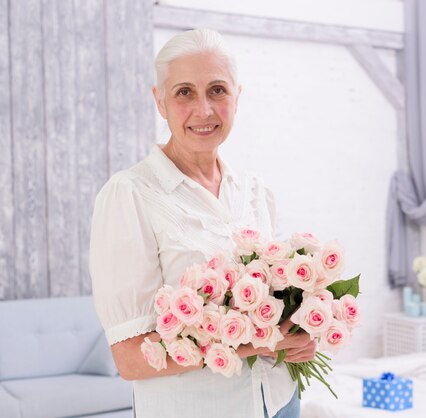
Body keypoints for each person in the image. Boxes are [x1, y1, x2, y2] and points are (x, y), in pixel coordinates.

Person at [89, 29, 315, 418]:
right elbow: (130, 359)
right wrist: (255, 343)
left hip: (278, 400)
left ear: (237, 97)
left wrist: (301, 333)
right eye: (184, 93)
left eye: (217, 90)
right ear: (159, 100)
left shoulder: (255, 191)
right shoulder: (130, 195)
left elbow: (280, 306)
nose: (204, 110)